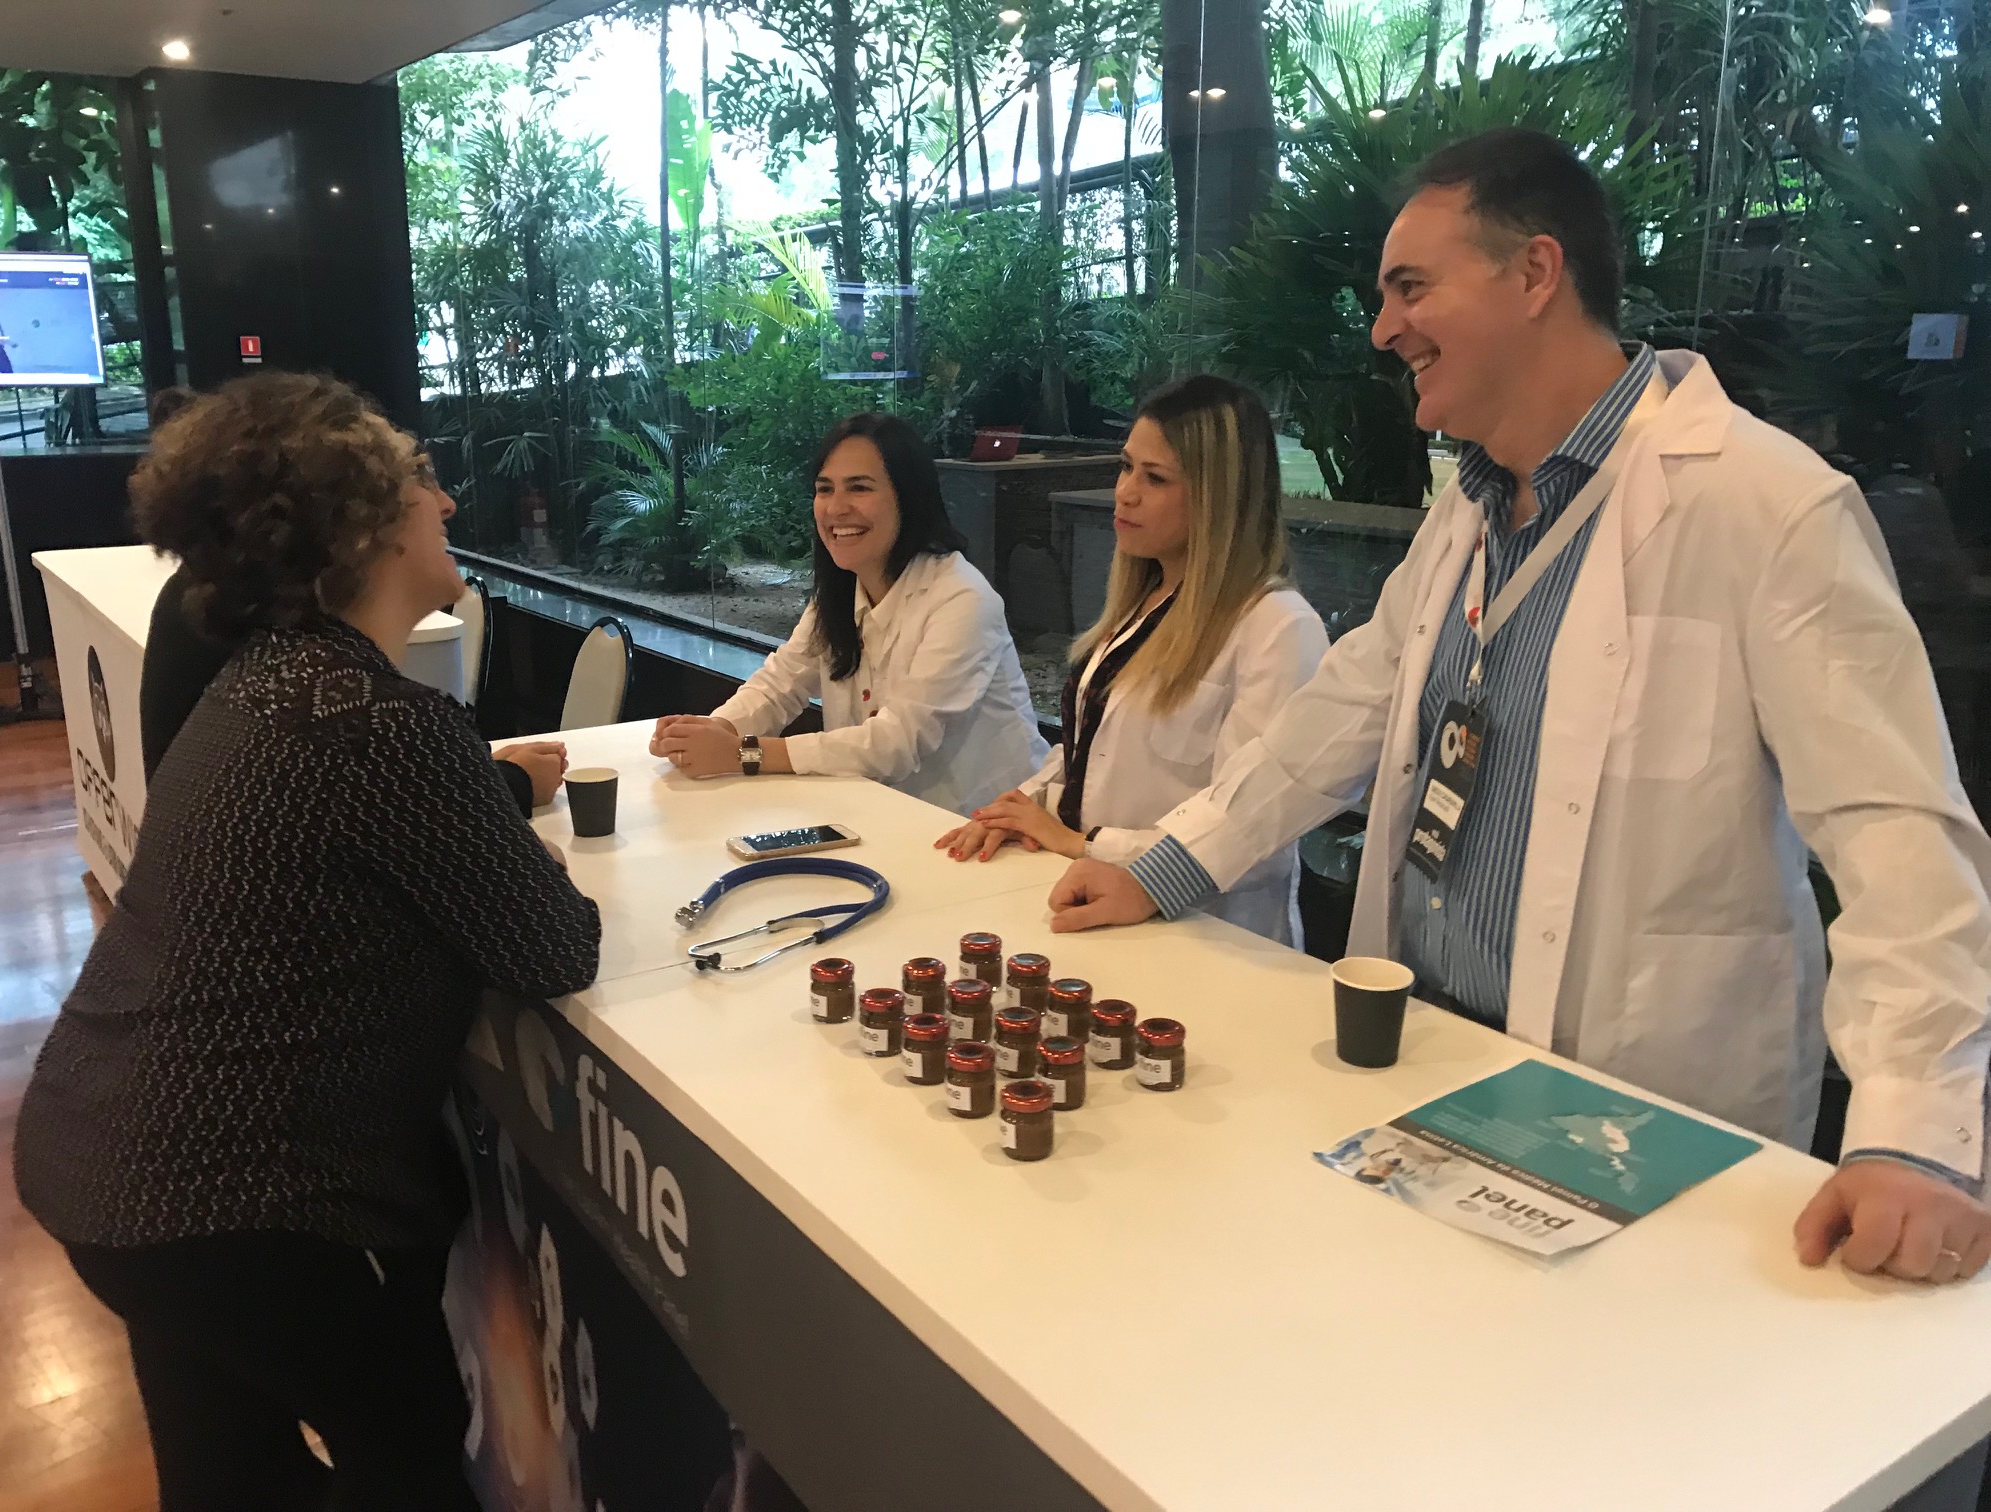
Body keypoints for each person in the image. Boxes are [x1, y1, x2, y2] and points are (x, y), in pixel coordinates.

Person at [1044, 130, 1991, 1296]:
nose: (1385, 327)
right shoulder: (1470, 512)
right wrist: (1169, 865)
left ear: (1537, 273)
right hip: (1428, 1080)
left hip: (1641, 1118)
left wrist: (1912, 1127)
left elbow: (1901, 832)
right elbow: (1341, 713)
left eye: (1410, 287)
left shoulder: (1766, 504)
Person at [14, 372, 602, 1511]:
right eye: (420, 481)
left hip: (100, 1159)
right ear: (364, 526)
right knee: (410, 1446)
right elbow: (552, 948)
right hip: (233, 1201)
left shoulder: (263, 685)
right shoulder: (378, 722)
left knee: (227, 1475)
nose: (444, 502)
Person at [933, 375, 1328, 946]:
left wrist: (1082, 841)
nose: (1125, 492)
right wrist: (1022, 808)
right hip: (1100, 907)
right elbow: (1089, 750)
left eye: (1155, 477)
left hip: (1211, 941)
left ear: (1220, 497)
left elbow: (1257, 838)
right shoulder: (1147, 601)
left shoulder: (1279, 628)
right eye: (1125, 467)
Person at [135, 385, 568, 812]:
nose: (447, 503)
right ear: (356, 520)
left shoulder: (261, 672)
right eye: (416, 475)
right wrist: (495, 792)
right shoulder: (356, 711)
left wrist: (471, 781)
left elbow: (369, 806)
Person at [650, 412, 1047, 813]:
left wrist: (742, 753)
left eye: (859, 488)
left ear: (908, 497)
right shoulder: (841, 590)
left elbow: (899, 743)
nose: (836, 508)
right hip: (887, 818)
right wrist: (712, 732)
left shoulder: (962, 598)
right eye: (825, 489)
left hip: (989, 830)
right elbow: (781, 683)